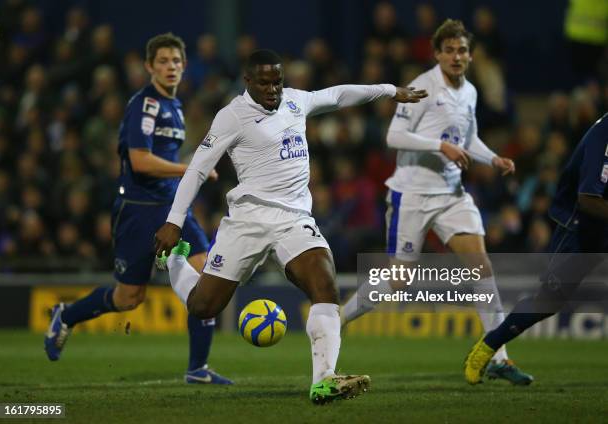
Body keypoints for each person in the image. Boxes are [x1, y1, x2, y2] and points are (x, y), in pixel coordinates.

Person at [153, 49, 427, 404]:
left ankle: (324, 380)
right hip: (248, 222)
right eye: (264, 82)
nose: (273, 89)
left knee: (324, 285)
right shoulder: (231, 117)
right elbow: (197, 169)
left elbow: (339, 95)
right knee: (203, 307)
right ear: (247, 81)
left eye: (277, 81)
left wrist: (389, 90)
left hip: (294, 220)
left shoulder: (296, 101)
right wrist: (174, 222)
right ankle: (175, 261)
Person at [340, 19, 533, 385]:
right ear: (437, 54)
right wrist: (439, 146)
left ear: (470, 55)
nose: (456, 56)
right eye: (449, 50)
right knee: (399, 279)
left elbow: (468, 139)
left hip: (450, 194)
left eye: (462, 50)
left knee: (481, 266)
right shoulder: (421, 87)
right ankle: (341, 316)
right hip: (411, 193)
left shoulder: (471, 92)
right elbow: (394, 135)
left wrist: (492, 159)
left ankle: (498, 356)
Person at [44, 33, 232, 385]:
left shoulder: (175, 108)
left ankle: (197, 369)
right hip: (139, 210)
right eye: (162, 61)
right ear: (148, 67)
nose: (170, 67)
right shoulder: (144, 105)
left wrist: (189, 170)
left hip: (173, 207)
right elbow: (140, 161)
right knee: (129, 297)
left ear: (184, 66)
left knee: (208, 278)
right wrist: (190, 169)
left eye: (176, 61)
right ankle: (66, 316)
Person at [465, 112, 608, 384]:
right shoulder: (604, 136)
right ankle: (487, 347)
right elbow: (589, 198)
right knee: (548, 302)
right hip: (581, 229)